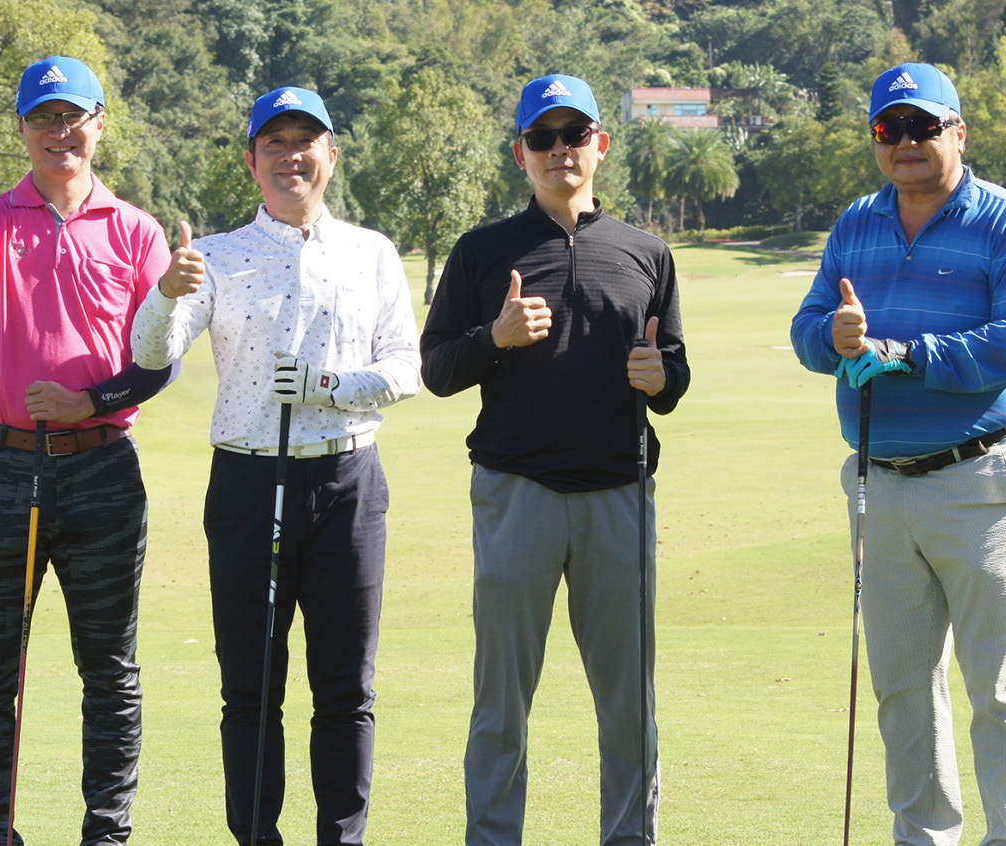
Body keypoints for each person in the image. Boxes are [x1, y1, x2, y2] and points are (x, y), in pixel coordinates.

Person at [130, 86, 421, 845]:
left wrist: (331, 387)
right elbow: (152, 353)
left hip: (349, 482)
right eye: (275, 143)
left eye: (305, 142)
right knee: (252, 689)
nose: (291, 156)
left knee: (346, 689)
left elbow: (405, 368)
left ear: (332, 155)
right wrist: (165, 293)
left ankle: (342, 839)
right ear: (252, 161)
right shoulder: (217, 257)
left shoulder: (371, 252)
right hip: (250, 484)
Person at [420, 74, 690, 846]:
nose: (559, 149)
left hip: (619, 496)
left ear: (600, 145)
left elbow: (672, 373)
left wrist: (662, 377)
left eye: (574, 135)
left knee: (629, 702)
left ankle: (630, 837)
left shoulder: (646, 253)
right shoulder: (482, 252)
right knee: (501, 701)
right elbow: (437, 369)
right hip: (516, 495)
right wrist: (494, 338)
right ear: (521, 154)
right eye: (543, 137)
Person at [791, 62, 1006, 846]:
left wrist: (908, 354)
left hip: (979, 478)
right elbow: (808, 330)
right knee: (902, 687)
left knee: (998, 683)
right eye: (889, 127)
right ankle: (923, 837)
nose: (905, 140)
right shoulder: (856, 223)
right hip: (879, 485)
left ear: (957, 133)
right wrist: (834, 336)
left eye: (923, 125)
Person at [0, 55, 175, 846]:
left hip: (101, 470)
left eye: (72, 116)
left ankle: (105, 836)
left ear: (99, 124)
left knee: (109, 671)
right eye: (43, 117)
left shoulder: (137, 231)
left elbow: (159, 361)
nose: (59, 132)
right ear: (22, 128)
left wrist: (93, 401)